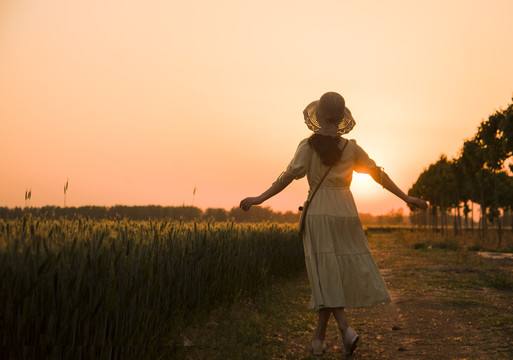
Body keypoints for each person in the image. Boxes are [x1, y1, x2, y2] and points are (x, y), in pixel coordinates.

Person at [239, 92, 428, 357]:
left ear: (318, 115)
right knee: (332, 272)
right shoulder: (351, 148)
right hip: (346, 211)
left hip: (318, 213)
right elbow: (378, 174)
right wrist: (407, 197)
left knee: (324, 272)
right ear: (341, 118)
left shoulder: (307, 146)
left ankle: (346, 329)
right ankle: (318, 340)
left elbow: (288, 177)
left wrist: (260, 197)